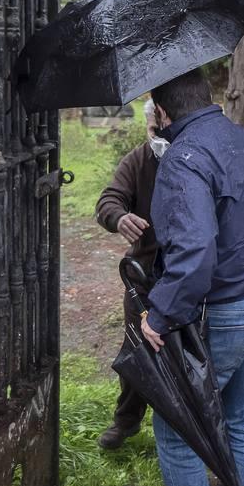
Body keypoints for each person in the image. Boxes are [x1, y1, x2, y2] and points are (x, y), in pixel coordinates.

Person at [139, 68, 244, 486]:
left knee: (178, 422)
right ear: (205, 96)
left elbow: (196, 250)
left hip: (228, 312)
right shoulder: (238, 136)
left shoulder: (183, 159)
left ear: (161, 111)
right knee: (242, 414)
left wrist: (160, 314)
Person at [95, 100, 168, 450]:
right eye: (152, 130)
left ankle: (188, 421)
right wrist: (118, 217)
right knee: (137, 352)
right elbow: (108, 200)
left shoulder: (199, 155)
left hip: (192, 277)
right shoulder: (139, 160)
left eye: (162, 128)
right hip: (144, 277)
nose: (157, 136)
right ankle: (126, 422)